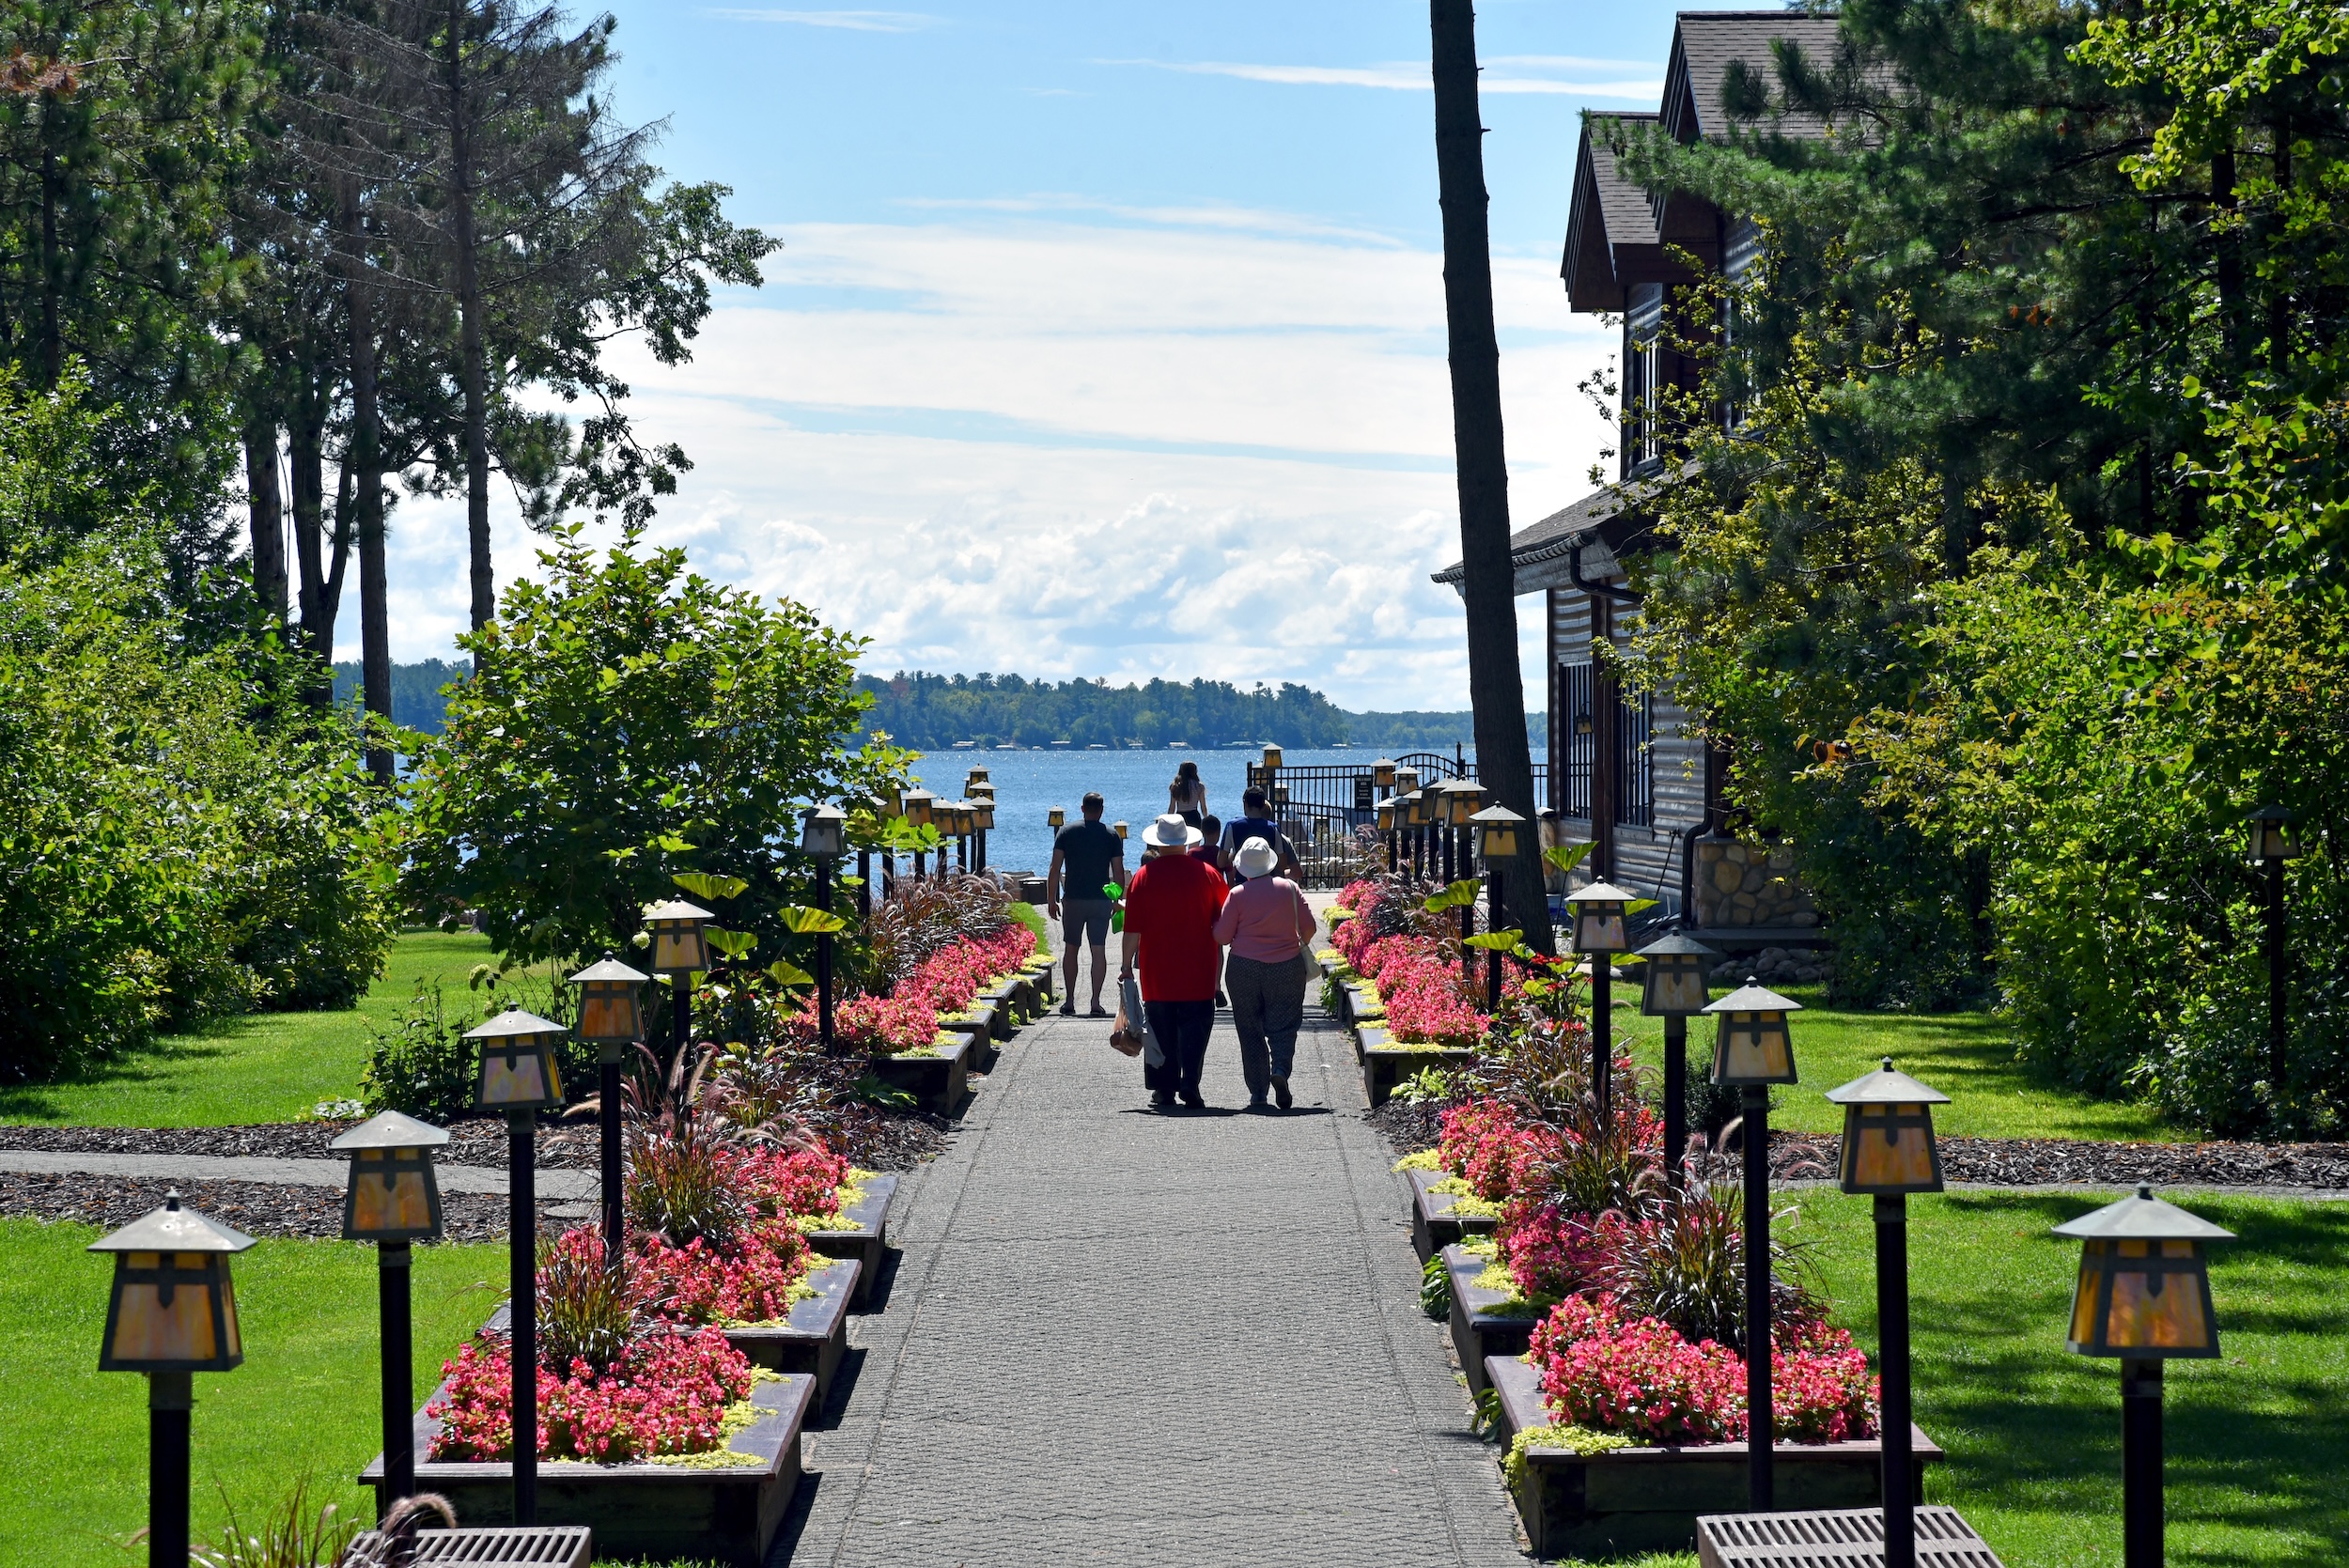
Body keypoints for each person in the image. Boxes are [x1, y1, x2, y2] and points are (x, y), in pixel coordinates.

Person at [1120, 813, 1228, 1110]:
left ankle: (1164, 1089)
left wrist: (1126, 965)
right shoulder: (1208, 874)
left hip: (1158, 972)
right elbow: (1223, 922)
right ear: (1185, 841)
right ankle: (1190, 1084)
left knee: (1160, 1031)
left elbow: (1132, 929)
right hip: (1199, 968)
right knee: (1195, 1029)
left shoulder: (1144, 877)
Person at [1213, 837, 1318, 1110]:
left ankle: (1258, 1091)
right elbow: (1309, 929)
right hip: (1286, 966)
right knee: (1284, 1025)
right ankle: (1280, 1070)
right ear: (1270, 863)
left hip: (1244, 968)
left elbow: (1223, 937)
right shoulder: (1290, 889)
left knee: (1250, 1029)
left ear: (1243, 868)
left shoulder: (1237, 894)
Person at [1046, 791, 1127, 1017]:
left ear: (1082, 808)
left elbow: (1055, 869)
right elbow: (1118, 874)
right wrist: (1117, 899)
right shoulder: (1111, 835)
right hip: (1100, 899)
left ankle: (1070, 1001)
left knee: (1071, 948)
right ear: (1101, 810)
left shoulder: (1066, 832)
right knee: (1098, 950)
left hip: (1072, 898)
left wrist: (1051, 900)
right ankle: (1095, 1002)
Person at [1218, 785, 1301, 885]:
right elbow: (1281, 865)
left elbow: (1221, 862)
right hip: (1268, 886)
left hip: (1242, 884)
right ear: (1263, 805)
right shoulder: (1273, 828)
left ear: (1245, 803)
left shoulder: (1232, 826)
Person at [1168, 759, 1206, 825]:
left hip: (1180, 817)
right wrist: (1206, 819)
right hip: (1194, 817)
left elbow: (1172, 808)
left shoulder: (1175, 786)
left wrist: (1168, 821)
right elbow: (1203, 807)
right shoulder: (1199, 786)